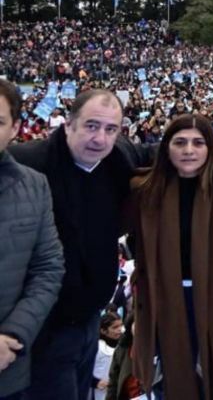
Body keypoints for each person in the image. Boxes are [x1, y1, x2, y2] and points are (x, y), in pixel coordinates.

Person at [10, 89, 150, 400]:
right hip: (42, 327)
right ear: (67, 124)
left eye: (111, 129)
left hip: (88, 320)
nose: (100, 138)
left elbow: (155, 153)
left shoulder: (118, 157)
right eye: (91, 126)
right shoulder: (26, 165)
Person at [127, 113, 213, 399]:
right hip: (168, 297)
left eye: (198, 143)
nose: (188, 150)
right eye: (180, 142)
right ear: (166, 147)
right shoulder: (144, 189)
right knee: (175, 375)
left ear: (211, 147)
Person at [0, 80, 65, 400]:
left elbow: (48, 268)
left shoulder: (34, 186)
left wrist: (13, 334)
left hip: (7, 365)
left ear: (15, 128)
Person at [91, 311, 123, 400]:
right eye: (115, 327)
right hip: (100, 393)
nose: (120, 329)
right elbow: (84, 370)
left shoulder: (123, 346)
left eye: (121, 325)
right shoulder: (97, 347)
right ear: (103, 330)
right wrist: (95, 382)